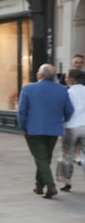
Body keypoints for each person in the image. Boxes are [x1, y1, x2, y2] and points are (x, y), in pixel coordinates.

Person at [18, 63, 74, 199]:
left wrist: (23, 127)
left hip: (33, 128)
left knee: (41, 158)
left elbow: (22, 111)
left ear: (40, 75)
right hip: (53, 129)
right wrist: (61, 120)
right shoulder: (62, 90)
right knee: (45, 158)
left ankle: (50, 186)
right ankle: (38, 186)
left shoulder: (28, 88)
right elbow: (69, 110)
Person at [57, 69, 85, 192]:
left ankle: (65, 181)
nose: (65, 79)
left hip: (71, 126)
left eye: (67, 77)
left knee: (66, 154)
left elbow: (65, 110)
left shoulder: (66, 93)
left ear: (71, 79)